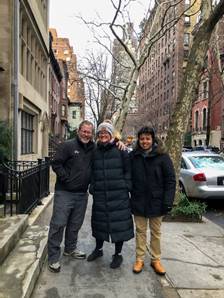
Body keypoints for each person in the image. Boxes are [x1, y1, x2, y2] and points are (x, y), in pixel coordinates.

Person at [47, 120, 95, 273]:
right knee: (58, 224)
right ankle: (53, 257)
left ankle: (70, 249)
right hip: (64, 193)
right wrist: (66, 179)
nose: (86, 134)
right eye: (84, 131)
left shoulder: (93, 148)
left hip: (82, 194)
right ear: (79, 131)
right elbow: (56, 164)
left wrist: (117, 142)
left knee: (75, 225)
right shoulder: (68, 146)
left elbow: (108, 144)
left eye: (89, 132)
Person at [87, 121, 134, 269]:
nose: (103, 135)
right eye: (100, 133)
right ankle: (98, 250)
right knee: (99, 223)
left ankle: (117, 254)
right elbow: (92, 171)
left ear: (111, 134)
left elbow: (129, 170)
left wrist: (126, 186)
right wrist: (93, 187)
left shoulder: (121, 150)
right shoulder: (94, 150)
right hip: (100, 193)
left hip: (119, 194)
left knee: (118, 225)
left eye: (106, 132)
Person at [130, 126, 176, 275]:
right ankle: (140, 259)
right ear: (139, 140)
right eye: (142, 138)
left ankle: (156, 260)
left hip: (157, 201)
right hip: (138, 200)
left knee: (156, 232)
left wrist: (168, 201)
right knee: (140, 231)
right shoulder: (133, 156)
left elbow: (170, 180)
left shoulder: (163, 156)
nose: (144, 141)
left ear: (152, 139)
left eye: (147, 138)